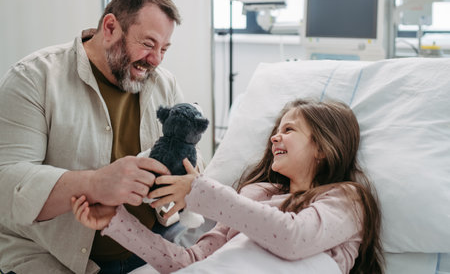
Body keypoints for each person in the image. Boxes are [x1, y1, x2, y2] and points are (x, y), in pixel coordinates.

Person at [0, 0, 190, 274]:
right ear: (111, 27)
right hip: (51, 257)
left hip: (150, 247)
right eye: (148, 45)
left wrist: (184, 185)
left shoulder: (165, 84)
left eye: (164, 49)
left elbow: (191, 155)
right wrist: (93, 184)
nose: (156, 60)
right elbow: (6, 183)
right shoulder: (33, 78)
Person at [71, 99, 385, 274]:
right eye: (275, 130)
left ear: (324, 147)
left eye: (289, 130)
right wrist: (115, 221)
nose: (274, 137)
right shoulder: (256, 195)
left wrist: (198, 191)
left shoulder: (346, 199)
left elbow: (292, 238)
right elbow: (189, 263)